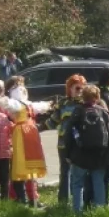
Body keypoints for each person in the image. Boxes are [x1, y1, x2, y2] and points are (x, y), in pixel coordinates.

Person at [0, 77, 50, 207]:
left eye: (22, 85)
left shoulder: (27, 104)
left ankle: (32, 198)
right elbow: (7, 103)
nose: (21, 88)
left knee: (31, 165)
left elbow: (39, 106)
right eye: (18, 86)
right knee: (21, 164)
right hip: (21, 135)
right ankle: (21, 198)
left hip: (31, 134)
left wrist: (49, 104)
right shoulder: (15, 103)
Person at [63, 85, 109, 213]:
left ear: (83, 97)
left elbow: (68, 134)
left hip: (80, 155)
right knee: (98, 182)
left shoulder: (77, 112)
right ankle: (100, 212)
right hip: (99, 154)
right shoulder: (103, 112)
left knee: (77, 183)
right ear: (97, 97)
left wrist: (67, 154)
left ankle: (77, 212)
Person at [44, 75, 86, 204]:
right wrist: (36, 127)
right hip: (64, 144)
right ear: (70, 88)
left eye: (82, 88)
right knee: (65, 172)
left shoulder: (85, 103)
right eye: (77, 88)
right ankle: (63, 201)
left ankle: (80, 200)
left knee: (80, 172)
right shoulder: (63, 103)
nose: (80, 91)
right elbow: (53, 121)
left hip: (80, 144)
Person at [0, 79, 13, 201]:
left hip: (4, 151)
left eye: (3, 90)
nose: (2, 93)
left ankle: (5, 203)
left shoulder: (4, 110)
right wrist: (7, 119)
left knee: (5, 179)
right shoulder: (0, 114)